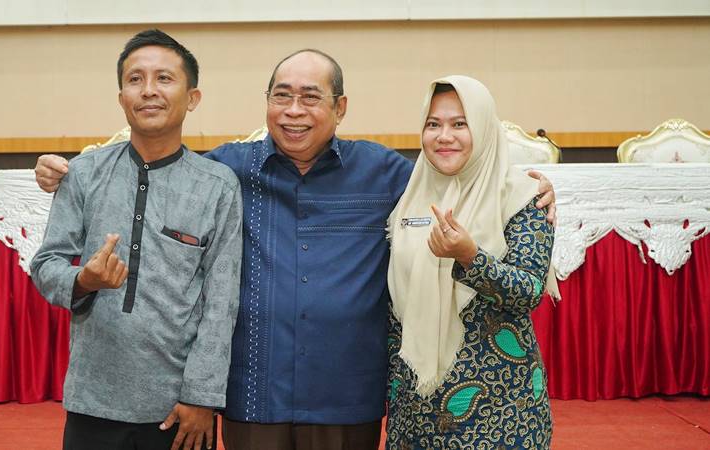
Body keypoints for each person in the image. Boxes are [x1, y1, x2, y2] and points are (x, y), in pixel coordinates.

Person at [35, 50, 556, 450]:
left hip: (345, 394)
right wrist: (66, 168)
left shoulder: (385, 173)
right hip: (253, 392)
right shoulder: (227, 171)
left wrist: (534, 189)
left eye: (311, 97)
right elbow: (160, 161)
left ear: (340, 108)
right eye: (281, 96)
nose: (294, 111)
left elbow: (455, 174)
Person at [30, 29, 242, 450]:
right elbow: (46, 264)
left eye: (164, 79)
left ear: (192, 98)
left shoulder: (217, 186)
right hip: (93, 398)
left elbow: (221, 301)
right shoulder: (85, 174)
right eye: (135, 80)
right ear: (121, 97)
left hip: (178, 411)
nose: (149, 91)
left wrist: (201, 397)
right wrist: (84, 281)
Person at [385, 76, 554, 449]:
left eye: (460, 124)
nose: (444, 136)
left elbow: (528, 291)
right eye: (434, 124)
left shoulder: (524, 198)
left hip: (500, 406)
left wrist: (470, 256)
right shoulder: (405, 197)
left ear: (482, 127)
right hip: (416, 408)